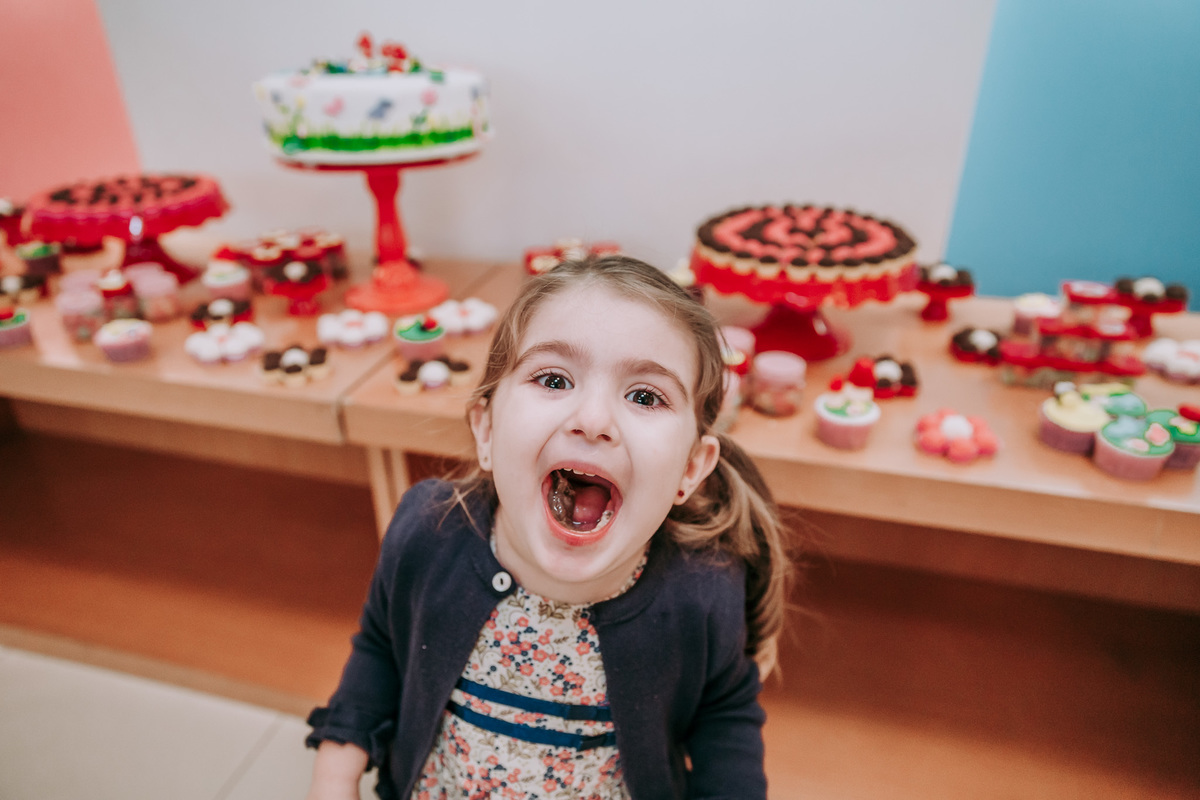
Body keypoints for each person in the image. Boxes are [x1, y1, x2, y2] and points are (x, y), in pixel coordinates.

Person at [305, 255, 791, 800]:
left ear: (690, 470)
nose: (594, 419)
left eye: (645, 395)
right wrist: (336, 772)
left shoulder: (701, 591)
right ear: (485, 430)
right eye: (554, 378)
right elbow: (380, 646)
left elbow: (725, 718)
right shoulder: (427, 529)